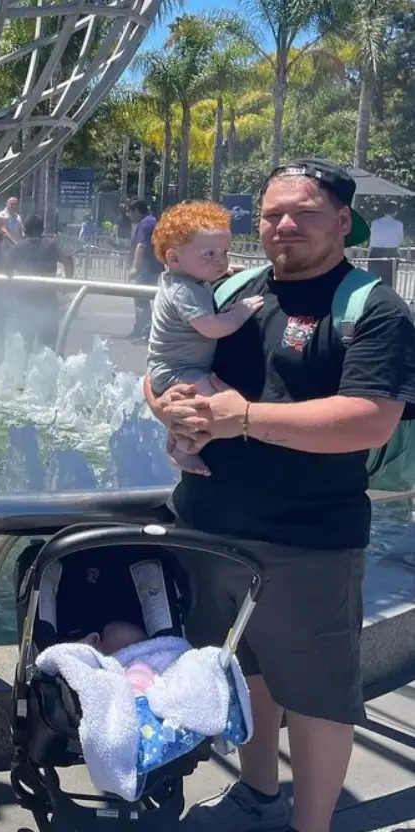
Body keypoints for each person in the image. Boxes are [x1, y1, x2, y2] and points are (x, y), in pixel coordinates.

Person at [144, 160, 415, 832]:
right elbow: (169, 372)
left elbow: (371, 418)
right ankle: (259, 790)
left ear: (343, 222)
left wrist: (242, 420)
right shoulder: (234, 289)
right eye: (270, 214)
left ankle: (312, 824)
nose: (284, 226)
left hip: (309, 540)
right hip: (209, 528)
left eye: (304, 212)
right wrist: (165, 406)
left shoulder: (372, 308)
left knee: (321, 696)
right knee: (248, 670)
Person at [145, 201, 264, 472]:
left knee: (197, 408)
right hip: (177, 370)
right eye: (209, 254)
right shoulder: (183, 290)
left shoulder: (185, 277)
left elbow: (204, 274)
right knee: (209, 407)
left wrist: (223, 269)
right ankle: (184, 449)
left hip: (178, 366)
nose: (221, 260)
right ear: (174, 258)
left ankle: (180, 440)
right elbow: (212, 328)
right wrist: (241, 312)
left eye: (224, 252)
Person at [8, 214, 75, 352]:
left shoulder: (18, 247)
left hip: (24, 301)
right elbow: (68, 259)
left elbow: (6, 268)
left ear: (25, 230)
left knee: (24, 343)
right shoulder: (51, 244)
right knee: (48, 348)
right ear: (42, 229)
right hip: (47, 300)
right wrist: (68, 282)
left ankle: (24, 371)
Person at [126, 199, 162, 340]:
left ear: (136, 211)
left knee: (141, 299)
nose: (129, 216)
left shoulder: (146, 223)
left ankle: (145, 331)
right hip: (154, 266)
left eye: (130, 212)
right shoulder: (152, 221)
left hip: (147, 268)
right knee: (147, 298)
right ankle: (142, 329)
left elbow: (141, 246)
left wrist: (135, 268)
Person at [367, 203, 404, 288]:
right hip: (392, 252)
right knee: (389, 281)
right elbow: (400, 240)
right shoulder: (399, 224)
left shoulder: (375, 223)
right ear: (395, 212)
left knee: (372, 280)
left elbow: (372, 238)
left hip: (375, 252)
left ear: (384, 212)